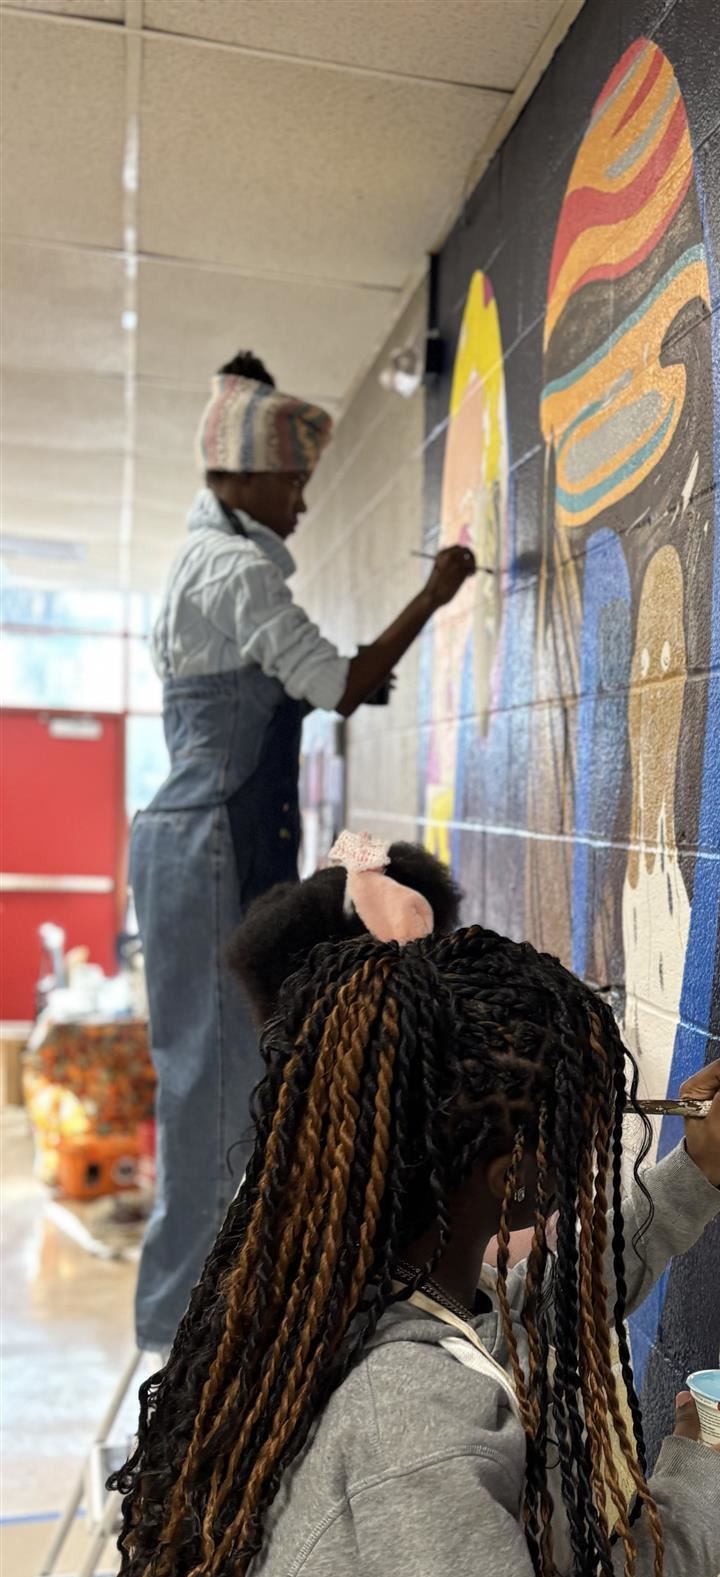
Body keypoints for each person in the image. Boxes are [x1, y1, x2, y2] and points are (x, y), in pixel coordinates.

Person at [86, 835, 720, 1577]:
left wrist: (690, 1177)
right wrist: (702, 1502)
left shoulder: (338, 1286)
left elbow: (534, 1310)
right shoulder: (403, 1430)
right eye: (578, 1131)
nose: (587, 1149)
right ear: (513, 1174)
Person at [129, 353, 477, 1355]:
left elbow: (326, 683)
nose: (304, 505)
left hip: (204, 838)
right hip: (208, 847)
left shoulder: (216, 565)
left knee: (224, 1077)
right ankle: (182, 1341)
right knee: (214, 1085)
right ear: (241, 479)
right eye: (294, 485)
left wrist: (359, 679)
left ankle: (209, 1315)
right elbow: (339, 681)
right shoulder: (232, 570)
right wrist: (435, 593)